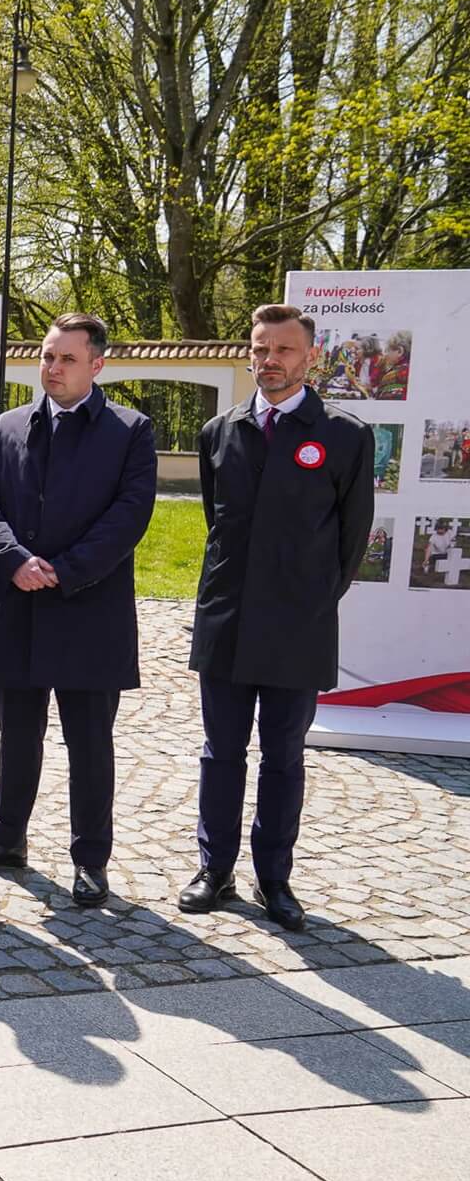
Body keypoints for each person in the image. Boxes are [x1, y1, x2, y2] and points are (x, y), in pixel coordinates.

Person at [0, 313, 157, 906]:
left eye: (67, 358)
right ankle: (7, 838)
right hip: (17, 606)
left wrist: (64, 570)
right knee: (17, 734)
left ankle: (90, 859)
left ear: (97, 365)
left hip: (89, 611)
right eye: (47, 356)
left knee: (89, 743)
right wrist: (14, 560)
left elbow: (130, 515)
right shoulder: (7, 426)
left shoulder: (130, 430)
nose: (53, 368)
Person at [181, 304, 373, 930]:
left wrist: (309, 599)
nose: (270, 360)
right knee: (221, 752)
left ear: (310, 357)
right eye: (261, 348)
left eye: (284, 350)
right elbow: (217, 523)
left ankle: (274, 878)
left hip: (298, 626)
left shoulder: (344, 435)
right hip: (228, 622)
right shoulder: (220, 431)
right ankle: (215, 868)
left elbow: (351, 540)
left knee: (284, 757)